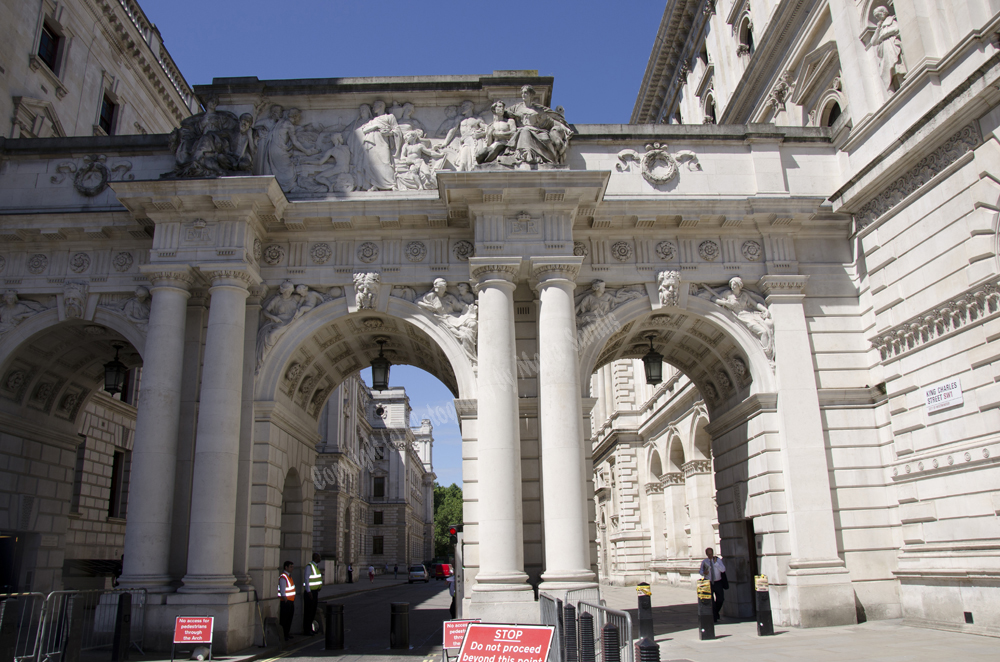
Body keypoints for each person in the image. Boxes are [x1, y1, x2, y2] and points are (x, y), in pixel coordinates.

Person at [699, 547, 726, 622]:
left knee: (720, 599)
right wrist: (704, 573)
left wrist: (716, 563)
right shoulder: (704, 562)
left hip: (718, 582)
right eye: (708, 554)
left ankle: (716, 612)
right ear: (706, 554)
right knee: (711, 601)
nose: (710, 556)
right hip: (709, 582)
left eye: (711, 554)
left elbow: (723, 569)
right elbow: (700, 571)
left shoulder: (718, 560)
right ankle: (714, 617)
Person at [302, 553, 323, 635]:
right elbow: (306, 579)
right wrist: (308, 591)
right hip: (310, 593)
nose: (320, 558)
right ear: (315, 558)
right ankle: (306, 630)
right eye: (319, 557)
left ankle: (310, 629)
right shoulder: (309, 567)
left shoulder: (315, 566)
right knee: (308, 611)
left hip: (315, 592)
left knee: (313, 611)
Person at [278, 561, 296, 640]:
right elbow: (282, 590)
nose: (292, 568)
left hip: (290, 601)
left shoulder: (289, 576)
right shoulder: (283, 577)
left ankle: (287, 633)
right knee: (284, 619)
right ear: (286, 567)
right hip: (286, 601)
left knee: (289, 619)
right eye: (291, 567)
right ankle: (283, 635)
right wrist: (285, 599)